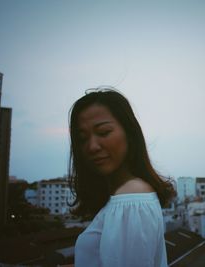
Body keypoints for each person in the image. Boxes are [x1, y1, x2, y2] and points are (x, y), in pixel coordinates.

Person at [68, 87, 176, 267]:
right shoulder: (125, 196)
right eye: (82, 138)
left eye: (103, 132)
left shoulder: (131, 198)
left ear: (130, 134)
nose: (92, 146)